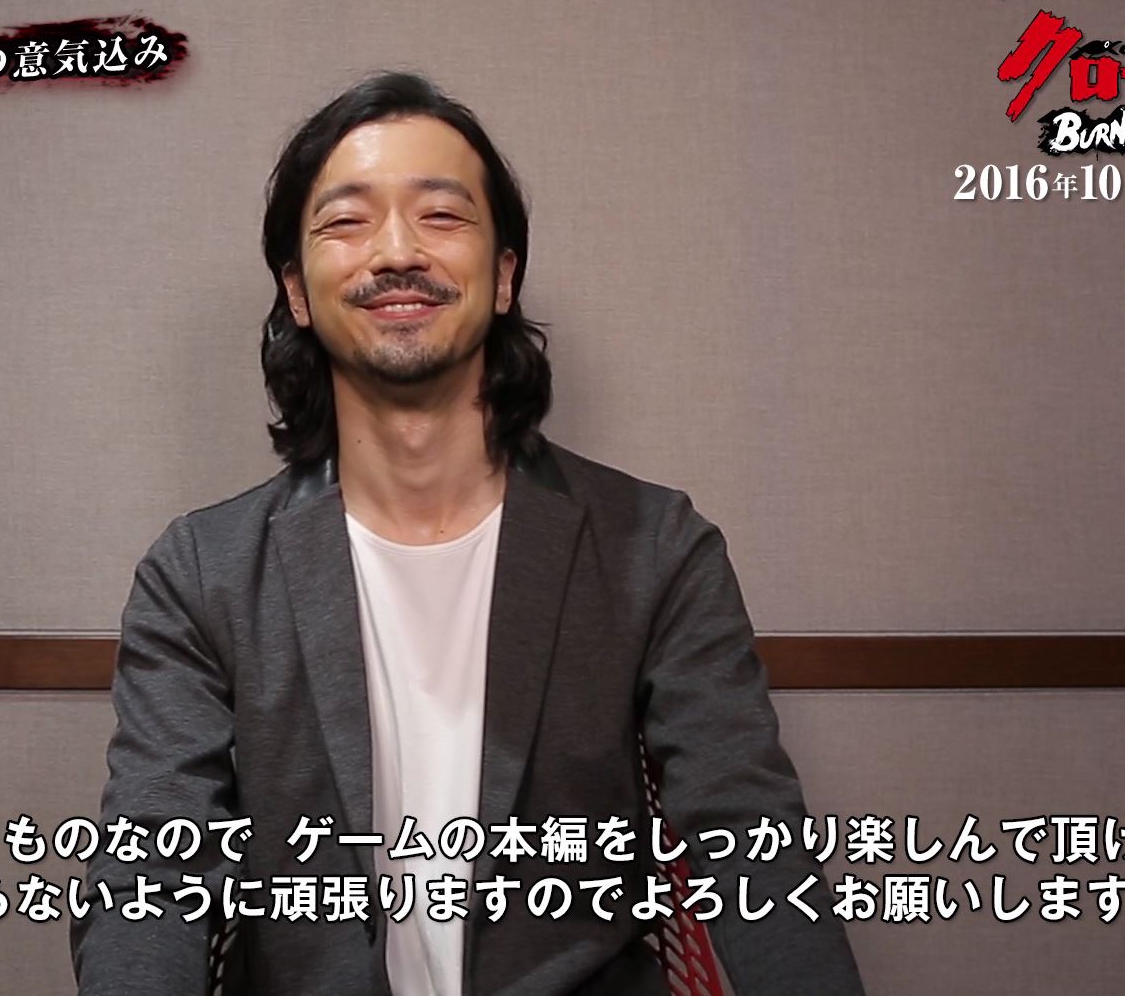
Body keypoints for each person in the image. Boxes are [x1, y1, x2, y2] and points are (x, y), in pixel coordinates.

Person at [72, 71, 864, 995]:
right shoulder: (201, 573)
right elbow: (149, 873)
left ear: (504, 277)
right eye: (347, 221)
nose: (396, 251)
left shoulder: (655, 548)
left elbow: (752, 842)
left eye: (442, 216)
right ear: (297, 290)